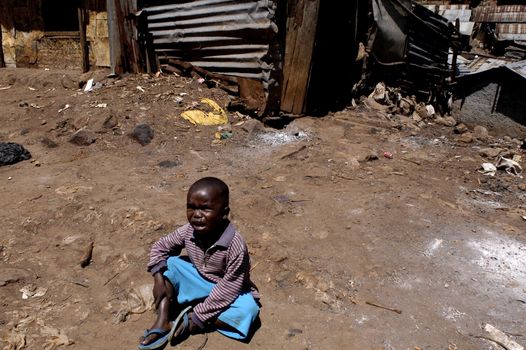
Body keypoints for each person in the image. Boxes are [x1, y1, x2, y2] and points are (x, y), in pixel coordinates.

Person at [138, 177, 260, 350]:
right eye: (191, 207)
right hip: (198, 279)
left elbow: (229, 288)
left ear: (224, 212)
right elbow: (160, 247)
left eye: (205, 208)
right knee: (170, 264)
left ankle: (188, 322)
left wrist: (198, 317)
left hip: (228, 288)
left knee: (248, 310)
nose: (196, 215)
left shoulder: (235, 245)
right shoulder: (188, 231)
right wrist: (158, 278)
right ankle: (163, 320)